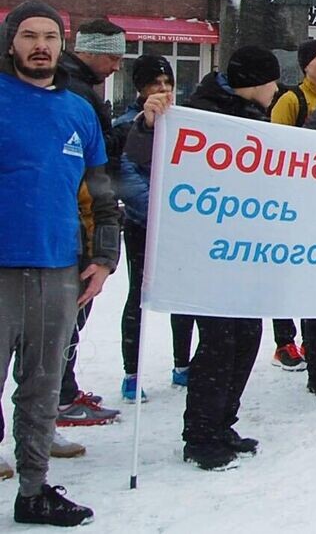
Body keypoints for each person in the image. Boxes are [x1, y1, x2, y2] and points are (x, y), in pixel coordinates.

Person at [127, 46, 279, 470]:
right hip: (211, 251)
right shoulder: (200, 112)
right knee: (219, 342)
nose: (277, 89)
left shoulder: (251, 113)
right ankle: (200, 433)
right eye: (272, 81)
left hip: (248, 247)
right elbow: (141, 153)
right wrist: (148, 123)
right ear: (255, 83)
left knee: (247, 336)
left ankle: (222, 422)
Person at [0, 1, 119, 525]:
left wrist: (104, 256)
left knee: (42, 387)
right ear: (12, 43)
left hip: (57, 270)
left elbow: (99, 190)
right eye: (29, 35)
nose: (40, 45)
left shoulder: (78, 110)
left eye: (50, 36)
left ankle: (33, 489)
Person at [55, 19, 126, 430]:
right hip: (76, 221)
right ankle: (61, 399)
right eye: (113, 56)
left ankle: (60, 395)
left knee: (66, 320)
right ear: (91, 51)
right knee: (67, 319)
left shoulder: (79, 86)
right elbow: (95, 161)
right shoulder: (76, 91)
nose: (117, 66)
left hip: (79, 218)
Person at [113, 55, 195, 403]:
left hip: (179, 225)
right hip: (142, 224)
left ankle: (182, 363)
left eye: (167, 84)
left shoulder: (185, 122)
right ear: (140, 88)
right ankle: (131, 373)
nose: (163, 90)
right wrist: (159, 213)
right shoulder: (125, 125)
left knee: (184, 295)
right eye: (155, 84)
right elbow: (126, 178)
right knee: (139, 296)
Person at [268, 39, 316, 372]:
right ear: (305, 64)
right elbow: (279, 146)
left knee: (313, 270)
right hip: (292, 196)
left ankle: (312, 336)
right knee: (286, 271)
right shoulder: (291, 99)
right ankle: (284, 342)